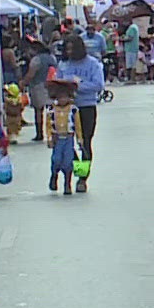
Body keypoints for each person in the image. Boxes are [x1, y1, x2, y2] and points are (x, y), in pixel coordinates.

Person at [55, 33, 106, 192]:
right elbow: (58, 82)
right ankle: (74, 171)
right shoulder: (63, 65)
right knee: (67, 142)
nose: (69, 53)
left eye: (72, 49)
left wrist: (78, 86)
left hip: (86, 107)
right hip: (67, 108)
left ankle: (83, 177)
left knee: (85, 142)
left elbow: (99, 85)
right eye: (67, 49)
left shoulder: (92, 64)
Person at [45, 76, 79, 194]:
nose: (62, 99)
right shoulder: (51, 109)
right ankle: (54, 175)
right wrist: (49, 138)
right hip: (57, 138)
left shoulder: (73, 109)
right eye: (60, 97)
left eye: (65, 96)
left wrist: (80, 138)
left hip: (69, 138)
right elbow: (48, 125)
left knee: (68, 161)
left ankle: (67, 183)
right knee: (56, 159)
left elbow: (77, 125)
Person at [21, 36, 53, 140]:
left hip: (38, 86)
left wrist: (23, 83)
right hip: (51, 85)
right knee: (51, 110)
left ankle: (39, 133)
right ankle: (53, 130)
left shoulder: (36, 60)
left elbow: (31, 74)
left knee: (38, 111)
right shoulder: (51, 57)